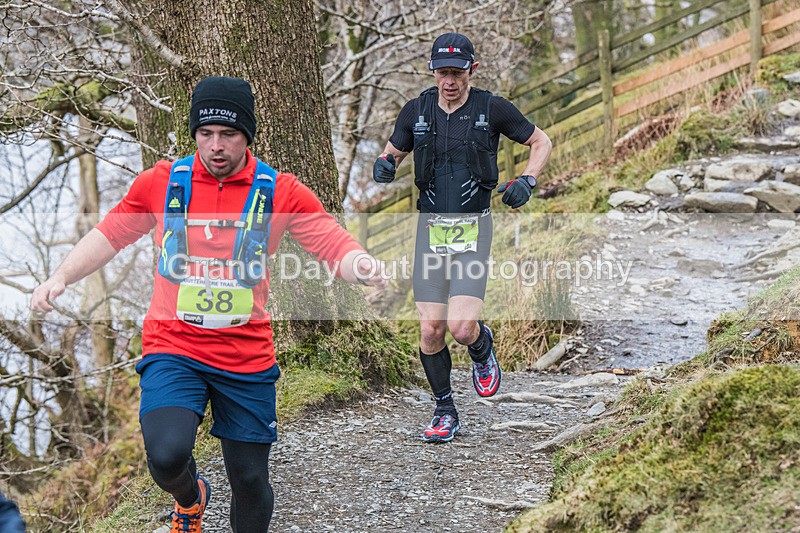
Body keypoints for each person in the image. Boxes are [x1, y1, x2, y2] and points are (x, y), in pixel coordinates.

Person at [31, 76, 386, 532]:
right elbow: (110, 234)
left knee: (250, 480)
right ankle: (191, 497)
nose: (216, 146)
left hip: (245, 354)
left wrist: (362, 264)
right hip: (174, 346)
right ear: (195, 133)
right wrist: (60, 277)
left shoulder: (279, 191)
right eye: (206, 133)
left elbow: (330, 241)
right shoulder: (162, 184)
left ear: (248, 135)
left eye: (229, 134)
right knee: (166, 457)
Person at [372, 33, 552, 443]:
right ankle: (444, 409)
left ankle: (481, 345)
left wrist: (528, 179)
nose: (449, 81)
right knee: (430, 328)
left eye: (457, 72)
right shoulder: (416, 111)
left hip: (473, 228)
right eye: (442, 73)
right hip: (430, 230)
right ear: (432, 71)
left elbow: (541, 141)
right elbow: (391, 153)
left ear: (473, 69)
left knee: (461, 326)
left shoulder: (491, 108)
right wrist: (384, 165)